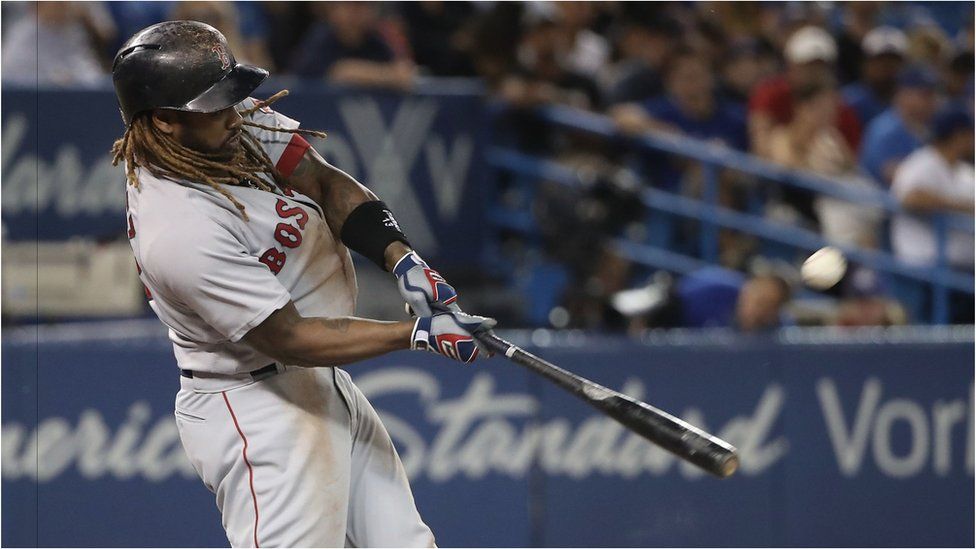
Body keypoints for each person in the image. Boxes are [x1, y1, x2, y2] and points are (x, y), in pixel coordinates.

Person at [111, 21, 495, 547]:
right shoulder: (177, 228)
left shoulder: (224, 129)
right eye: (214, 106)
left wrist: (402, 260)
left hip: (316, 379)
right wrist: (414, 334)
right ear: (164, 122)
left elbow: (322, 179)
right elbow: (288, 337)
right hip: (256, 403)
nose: (233, 114)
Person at [748, 25, 862, 159]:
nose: (813, 72)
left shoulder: (841, 109)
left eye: (820, 66)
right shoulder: (771, 93)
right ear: (791, 65)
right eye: (807, 65)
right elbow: (762, 147)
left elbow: (852, 160)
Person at [890, 106, 974, 269]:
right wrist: (962, 207)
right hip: (923, 266)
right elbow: (910, 198)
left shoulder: (966, 171)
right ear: (959, 135)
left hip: (962, 266)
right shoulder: (921, 163)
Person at [859, 66, 939, 186]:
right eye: (925, 95)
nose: (933, 101)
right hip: (877, 200)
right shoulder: (885, 129)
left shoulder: (922, 128)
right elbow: (890, 173)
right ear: (903, 94)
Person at [841, 26, 908, 125]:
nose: (886, 67)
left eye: (892, 61)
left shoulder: (912, 103)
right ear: (865, 64)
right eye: (880, 60)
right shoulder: (848, 101)